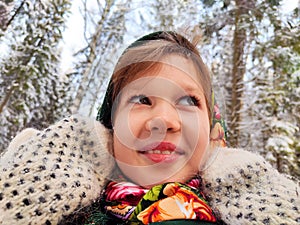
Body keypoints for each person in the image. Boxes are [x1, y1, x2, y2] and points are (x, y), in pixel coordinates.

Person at [0, 31, 299, 225]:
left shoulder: (252, 206)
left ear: (212, 130)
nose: (164, 120)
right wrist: (42, 174)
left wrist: (259, 190)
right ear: (110, 125)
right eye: (142, 99)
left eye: (188, 100)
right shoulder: (70, 210)